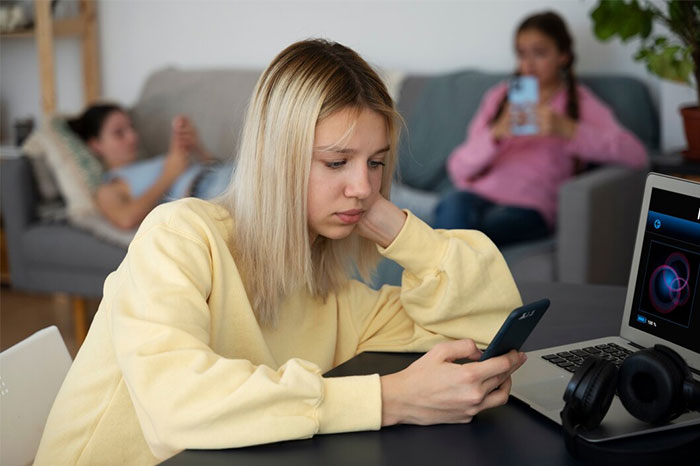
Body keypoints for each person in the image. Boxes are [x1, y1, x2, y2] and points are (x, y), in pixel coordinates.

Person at [35, 39, 526, 465]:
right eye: (337, 162)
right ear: (277, 159)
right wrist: (388, 398)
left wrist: (391, 222)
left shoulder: (333, 295)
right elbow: (175, 408)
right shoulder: (179, 237)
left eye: (376, 163)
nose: (363, 186)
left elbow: (485, 329)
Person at [434, 11, 648, 246]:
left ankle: (452, 273)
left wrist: (568, 129)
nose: (528, 64)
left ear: (563, 56)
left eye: (540, 53)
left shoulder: (580, 102)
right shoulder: (499, 98)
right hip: (478, 194)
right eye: (521, 54)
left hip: (530, 207)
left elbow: (637, 156)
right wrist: (495, 134)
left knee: (468, 238)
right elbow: (458, 168)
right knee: (451, 208)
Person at [67, 104, 234, 229]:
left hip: (221, 173)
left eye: (131, 128)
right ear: (96, 144)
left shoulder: (152, 162)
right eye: (119, 133)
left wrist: (198, 148)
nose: (132, 137)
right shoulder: (110, 188)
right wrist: (169, 175)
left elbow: (214, 167)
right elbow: (126, 219)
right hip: (206, 193)